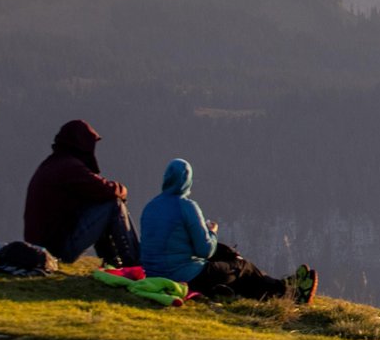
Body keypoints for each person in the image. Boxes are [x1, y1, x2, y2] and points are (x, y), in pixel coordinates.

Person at [138, 158, 316, 303]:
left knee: (226, 256)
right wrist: (212, 231)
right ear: (187, 181)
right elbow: (205, 250)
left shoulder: (150, 207)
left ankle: (284, 288)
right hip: (187, 277)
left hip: (154, 273)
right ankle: (289, 292)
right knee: (241, 267)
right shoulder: (186, 207)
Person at [23, 119, 139, 268]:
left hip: (42, 248)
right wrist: (123, 190)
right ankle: (133, 261)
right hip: (57, 250)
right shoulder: (69, 167)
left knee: (101, 202)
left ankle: (113, 261)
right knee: (112, 204)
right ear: (82, 144)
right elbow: (107, 190)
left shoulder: (53, 164)